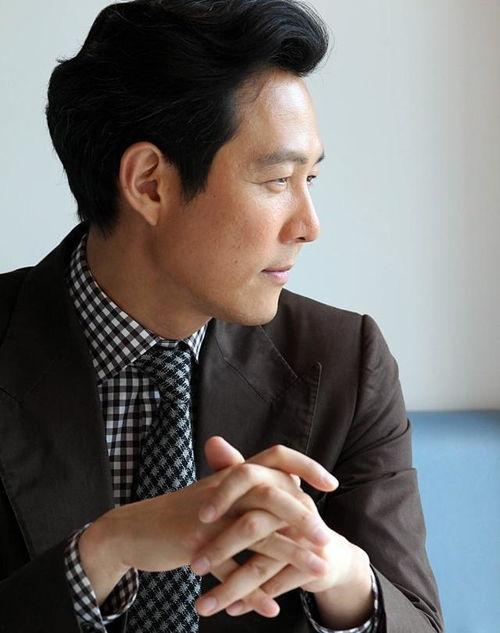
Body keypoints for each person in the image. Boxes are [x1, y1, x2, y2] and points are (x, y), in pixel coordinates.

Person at [0, 1, 444, 632]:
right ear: (150, 184)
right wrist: (104, 551)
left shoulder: (346, 362)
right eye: (278, 181)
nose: (309, 226)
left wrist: (341, 575)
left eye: (311, 179)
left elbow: (420, 620)